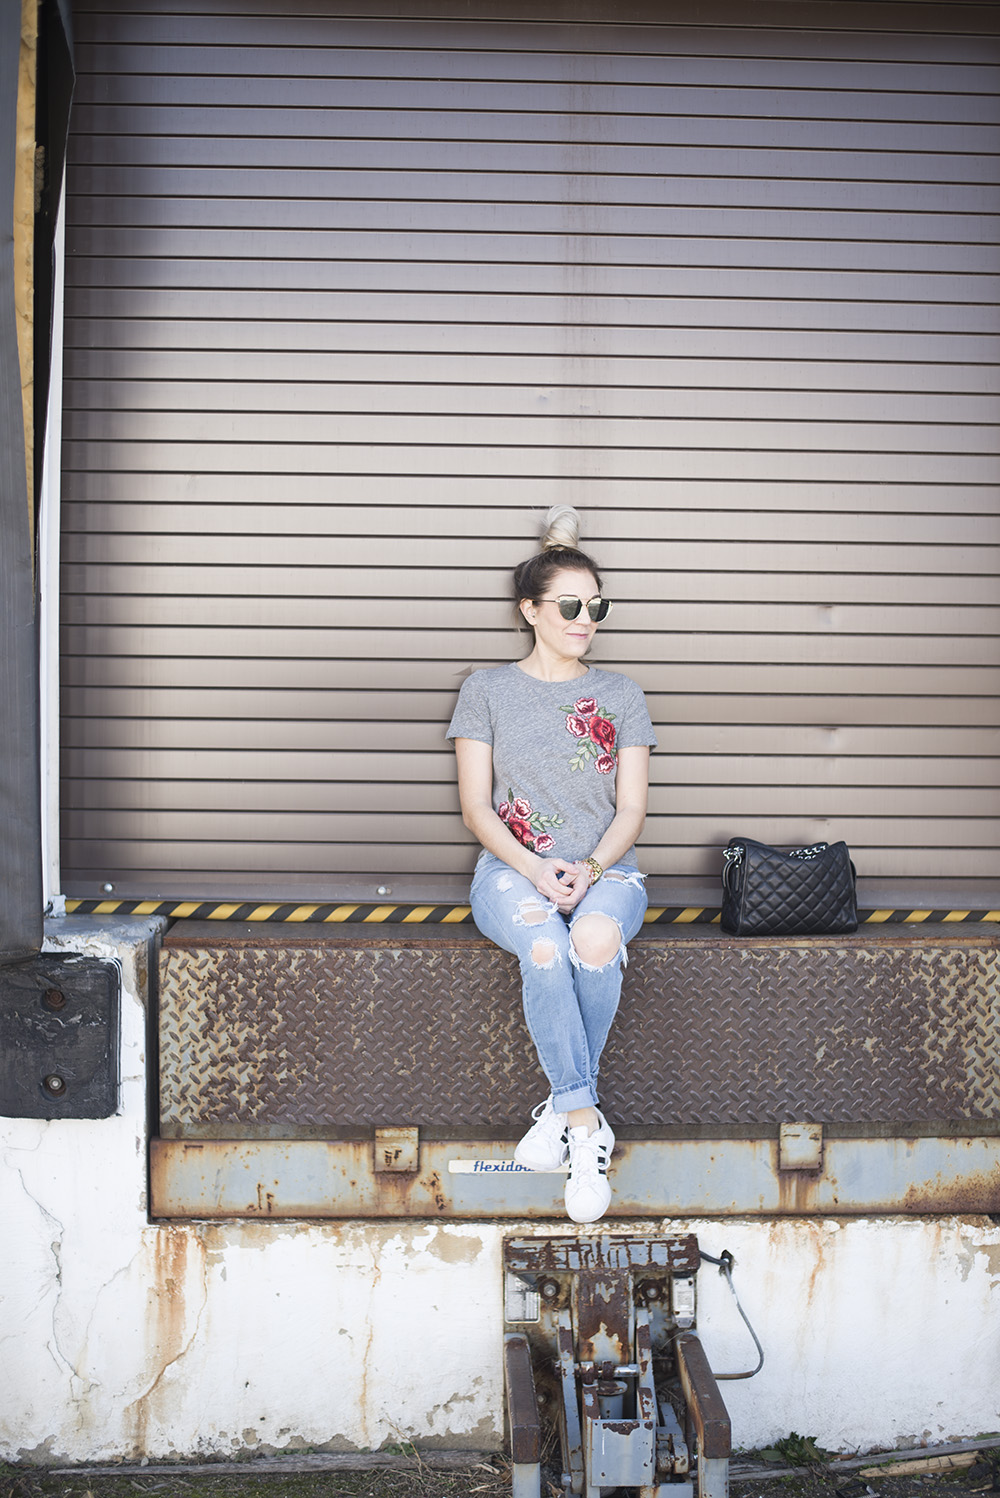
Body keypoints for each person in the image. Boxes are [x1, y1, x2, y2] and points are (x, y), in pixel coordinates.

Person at [446, 505, 657, 1222]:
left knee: (594, 941)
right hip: (510, 871)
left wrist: (591, 869)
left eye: (596, 605)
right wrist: (537, 869)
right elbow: (477, 808)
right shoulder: (486, 690)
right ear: (529, 611)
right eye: (570, 605)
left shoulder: (622, 694)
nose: (585, 617)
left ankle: (564, 1115)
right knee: (545, 944)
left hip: (607, 872)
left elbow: (630, 812)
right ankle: (586, 1127)